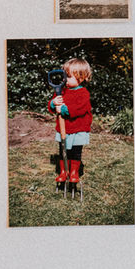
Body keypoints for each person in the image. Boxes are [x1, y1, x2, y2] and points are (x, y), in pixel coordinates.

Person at [48, 57, 93, 189]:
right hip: (64, 129)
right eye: (64, 76)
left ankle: (74, 173)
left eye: (68, 76)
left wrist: (64, 109)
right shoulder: (61, 91)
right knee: (63, 151)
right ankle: (63, 172)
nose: (65, 79)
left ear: (82, 77)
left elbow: (80, 108)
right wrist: (53, 103)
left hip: (79, 129)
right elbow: (52, 105)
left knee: (75, 152)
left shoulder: (83, 93)